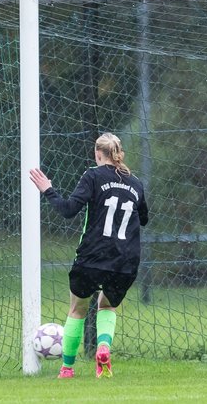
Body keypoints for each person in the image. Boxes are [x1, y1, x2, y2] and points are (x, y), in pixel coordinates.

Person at [30, 132, 149, 378]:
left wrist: (48, 189)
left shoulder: (92, 176)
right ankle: (103, 349)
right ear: (119, 154)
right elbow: (144, 219)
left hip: (92, 256)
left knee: (77, 309)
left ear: (98, 154)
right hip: (126, 261)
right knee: (107, 306)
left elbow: (68, 210)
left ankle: (67, 368)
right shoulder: (136, 183)